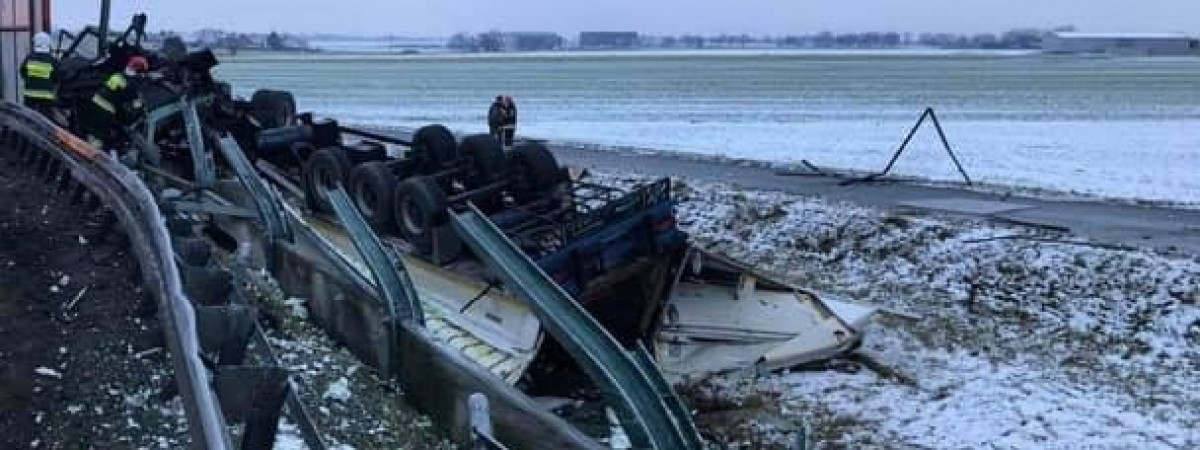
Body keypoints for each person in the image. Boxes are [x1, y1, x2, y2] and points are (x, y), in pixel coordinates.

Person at [84, 56, 149, 150]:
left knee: (92, 130)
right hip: (106, 109)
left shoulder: (118, 75)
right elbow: (134, 104)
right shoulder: (131, 84)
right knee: (100, 137)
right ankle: (91, 155)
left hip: (94, 102)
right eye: (142, 71)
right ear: (138, 70)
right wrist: (141, 108)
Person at [19, 32, 59, 118]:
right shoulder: (52, 60)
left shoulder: (29, 57)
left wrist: (31, 80)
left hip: (30, 94)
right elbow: (56, 76)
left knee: (28, 117)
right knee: (47, 119)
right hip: (46, 95)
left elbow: (22, 72)